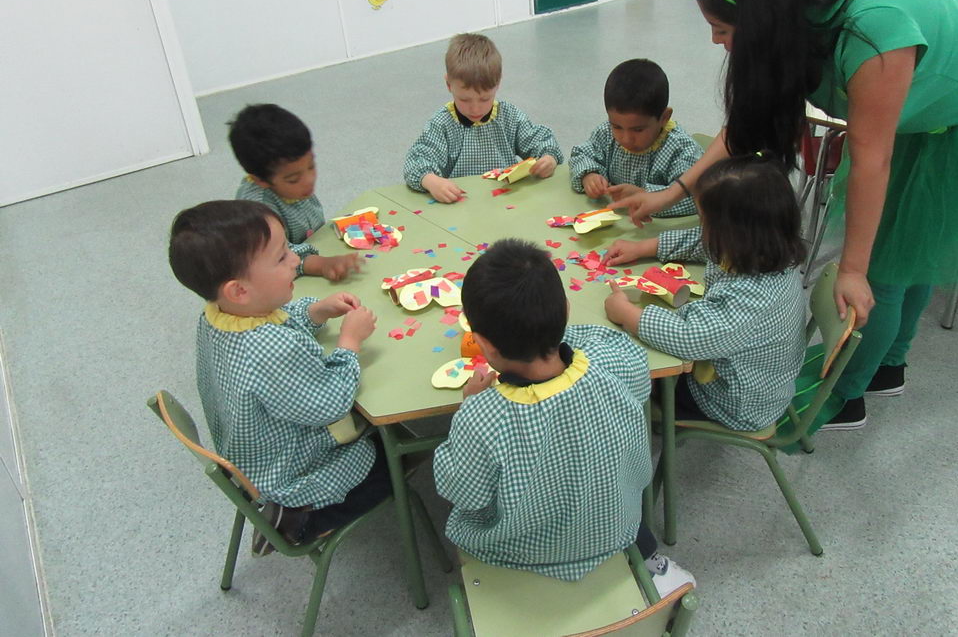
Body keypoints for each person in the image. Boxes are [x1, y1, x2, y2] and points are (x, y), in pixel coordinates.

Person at [615, 0, 958, 431]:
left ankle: (847, 394)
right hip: (919, 114)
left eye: (722, 29)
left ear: (762, 21)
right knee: (909, 251)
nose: (716, 42)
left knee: (884, 271)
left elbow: (871, 159)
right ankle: (888, 368)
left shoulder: (873, 30)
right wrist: (673, 193)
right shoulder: (794, 21)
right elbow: (747, 121)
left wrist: (852, 268)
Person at [432, 239, 693, 595]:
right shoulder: (615, 364)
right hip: (612, 527)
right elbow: (613, 349)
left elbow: (463, 492)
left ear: (483, 344)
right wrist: (548, 328)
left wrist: (466, 408)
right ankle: (647, 566)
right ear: (567, 311)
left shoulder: (480, 417)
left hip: (519, 552)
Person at [168, 199, 389, 552]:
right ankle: (299, 521)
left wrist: (315, 311)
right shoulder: (272, 350)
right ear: (239, 290)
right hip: (296, 486)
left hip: (253, 464)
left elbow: (275, 317)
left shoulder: (217, 316)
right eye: (282, 256)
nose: (295, 261)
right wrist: (350, 343)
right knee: (393, 445)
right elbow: (331, 403)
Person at [604, 154, 807, 431]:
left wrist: (627, 313)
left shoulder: (753, 298)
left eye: (705, 221)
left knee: (623, 378)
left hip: (732, 402)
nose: (703, 230)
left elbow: (689, 338)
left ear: (731, 236)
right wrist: (644, 247)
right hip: (746, 374)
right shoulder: (764, 248)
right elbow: (702, 244)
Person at [403, 33, 564, 203]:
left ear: (497, 84)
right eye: (464, 99)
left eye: (485, 99)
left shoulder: (509, 116)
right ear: (448, 84)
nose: (475, 109)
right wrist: (431, 181)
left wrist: (549, 159)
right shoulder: (442, 124)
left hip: (505, 202)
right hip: (460, 205)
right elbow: (416, 161)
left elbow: (541, 141)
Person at [229, 103, 359, 282]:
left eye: (311, 166)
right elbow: (278, 259)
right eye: (293, 179)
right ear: (261, 180)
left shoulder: (294, 186)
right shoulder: (257, 211)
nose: (309, 180)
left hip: (312, 243)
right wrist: (323, 265)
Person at [569, 58, 702, 217]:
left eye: (638, 130)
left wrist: (647, 195)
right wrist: (588, 175)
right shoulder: (606, 132)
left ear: (664, 117)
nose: (626, 138)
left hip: (654, 235)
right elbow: (581, 154)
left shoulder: (680, 149)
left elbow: (697, 197)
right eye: (617, 126)